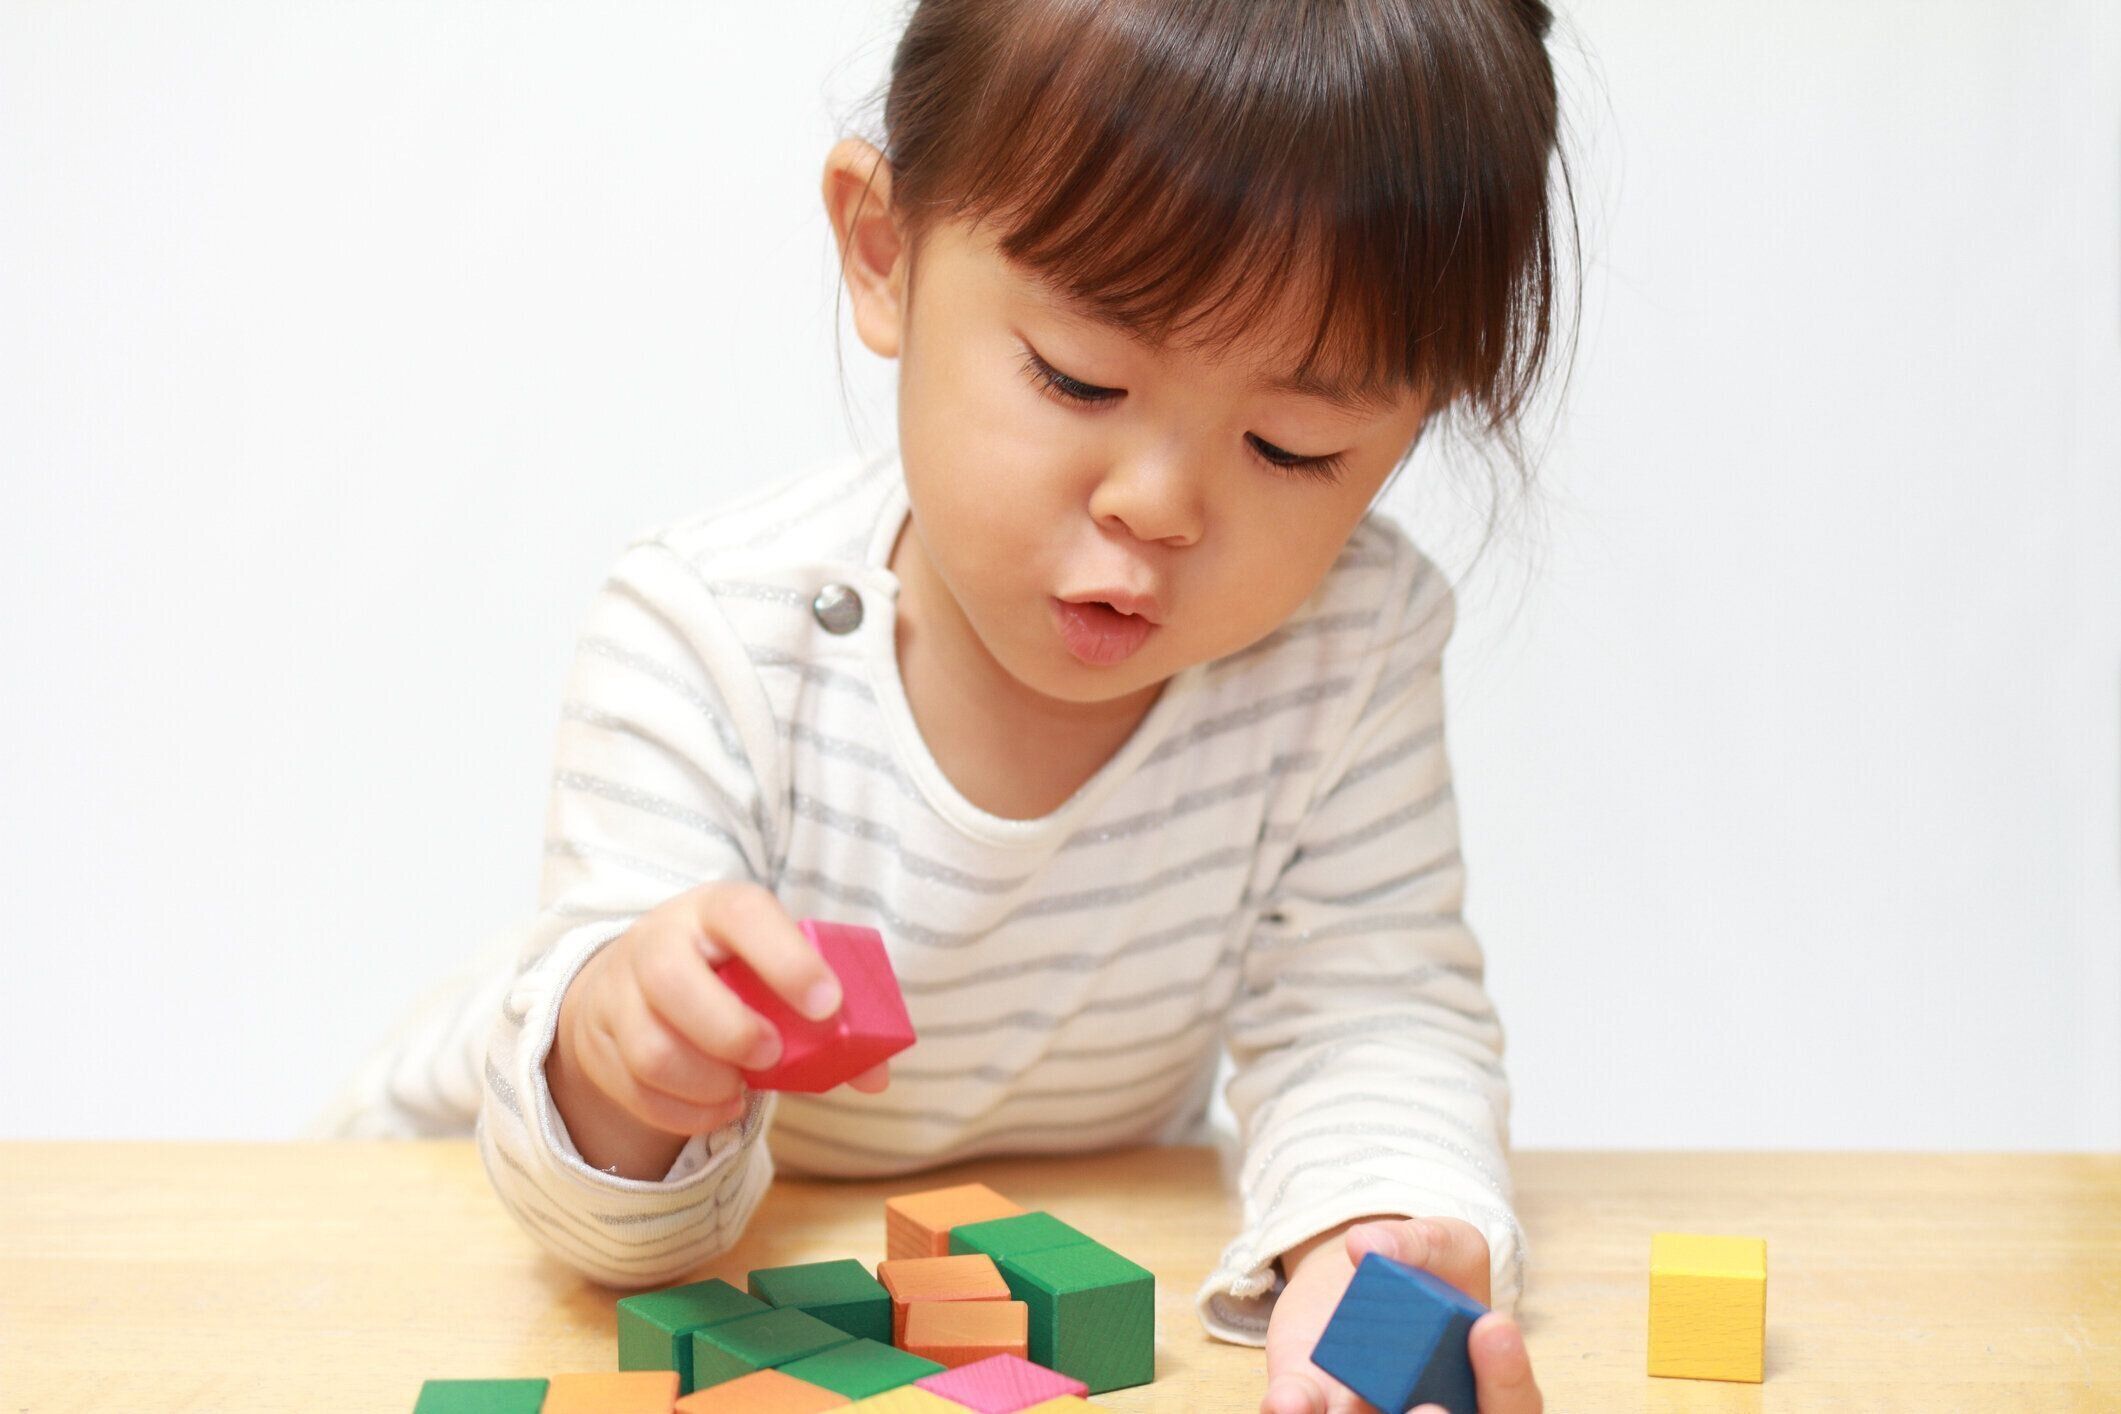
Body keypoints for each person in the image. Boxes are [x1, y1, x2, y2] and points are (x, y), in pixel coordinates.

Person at [329, 3, 1578, 1409]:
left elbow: (1370, 1013)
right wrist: (627, 1065)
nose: (1157, 506)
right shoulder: (712, 630)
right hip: (458, 1222)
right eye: (1077, 377)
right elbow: (604, 1230)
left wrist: (1373, 1235)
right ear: (885, 250)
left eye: (1293, 446)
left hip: (981, 1257)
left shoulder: (1346, 646)